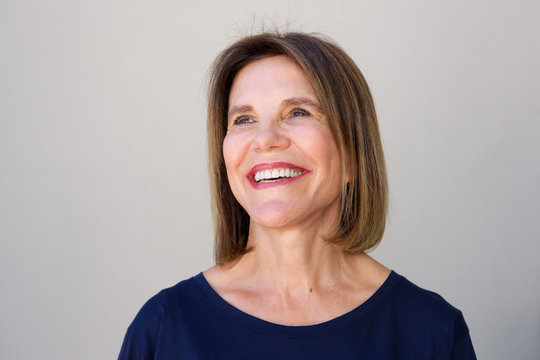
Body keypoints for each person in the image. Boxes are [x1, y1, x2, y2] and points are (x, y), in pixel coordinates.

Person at [118, 32, 477, 359]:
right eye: (243, 119)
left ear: (353, 152)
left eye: (298, 112)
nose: (266, 139)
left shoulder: (431, 332)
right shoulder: (163, 328)